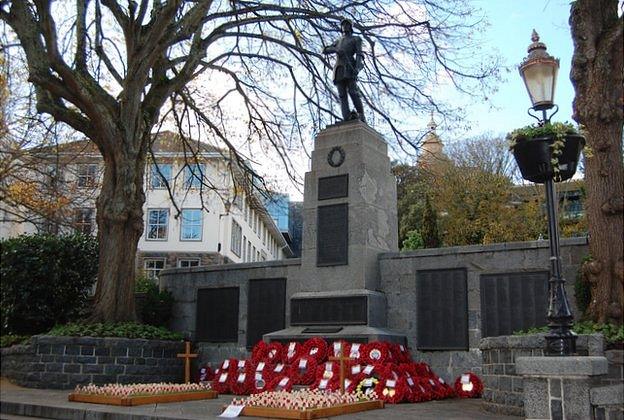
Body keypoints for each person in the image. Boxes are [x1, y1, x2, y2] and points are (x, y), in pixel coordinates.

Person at [323, 19, 366, 122]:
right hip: (339, 69)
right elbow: (325, 50)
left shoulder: (356, 39)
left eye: (347, 24)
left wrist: (357, 68)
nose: (345, 26)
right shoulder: (338, 41)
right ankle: (346, 117)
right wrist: (336, 49)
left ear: (350, 27)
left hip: (350, 67)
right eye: (343, 25)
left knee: (353, 92)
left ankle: (361, 115)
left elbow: (360, 54)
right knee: (342, 95)